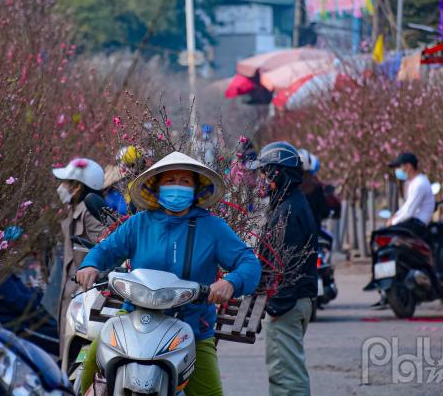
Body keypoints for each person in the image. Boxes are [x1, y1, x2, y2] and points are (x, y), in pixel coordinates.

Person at [76, 151, 261, 396]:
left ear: (196, 190)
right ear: (157, 187)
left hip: (192, 326)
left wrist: (230, 282)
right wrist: (90, 265)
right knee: (91, 363)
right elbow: (106, 250)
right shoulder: (138, 224)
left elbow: (249, 263)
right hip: (134, 319)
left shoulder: (213, 228)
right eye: (170, 180)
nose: (177, 187)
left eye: (184, 181)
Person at [254, 141, 318, 396]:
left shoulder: (288, 212)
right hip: (293, 303)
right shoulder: (289, 204)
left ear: (277, 173)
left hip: (287, 306)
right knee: (285, 374)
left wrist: (276, 306)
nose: (261, 180)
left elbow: (285, 266)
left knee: (287, 379)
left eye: (264, 173)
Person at [53, 157, 108, 359]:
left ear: (78, 187)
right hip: (71, 292)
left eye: (67, 183)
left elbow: (107, 246)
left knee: (74, 355)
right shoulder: (75, 209)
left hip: (83, 296)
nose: (62, 187)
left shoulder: (90, 212)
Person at [387, 152, 435, 240]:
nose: (396, 170)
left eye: (398, 167)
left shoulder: (419, 183)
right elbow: (406, 206)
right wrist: (395, 216)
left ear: (408, 166)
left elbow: (409, 211)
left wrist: (393, 222)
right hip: (413, 222)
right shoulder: (414, 182)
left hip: (417, 224)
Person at [298, 149, 329, 235]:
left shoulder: (290, 192)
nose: (305, 179)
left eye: (307, 174)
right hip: (313, 233)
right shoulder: (316, 188)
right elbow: (324, 211)